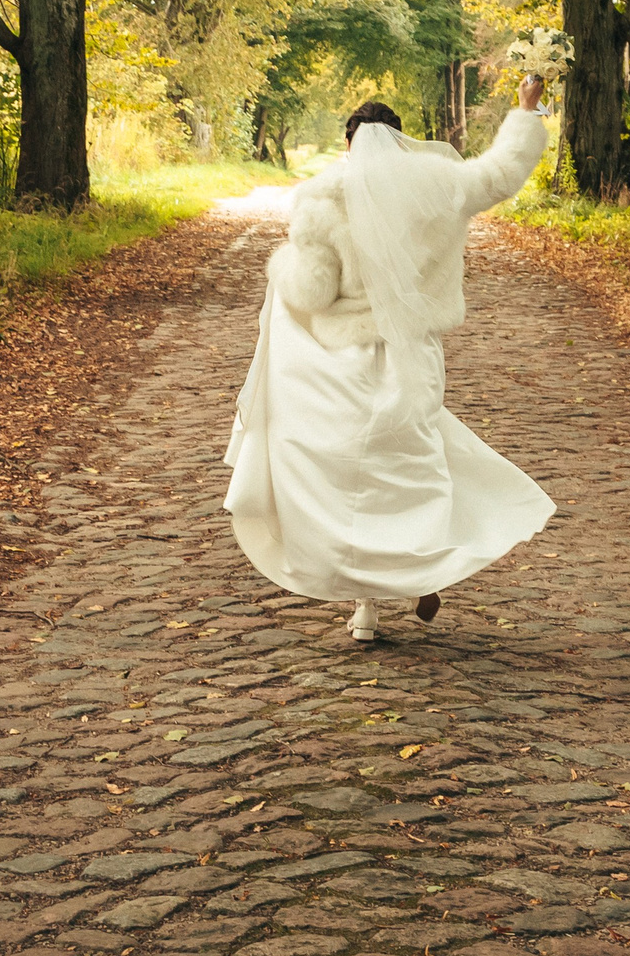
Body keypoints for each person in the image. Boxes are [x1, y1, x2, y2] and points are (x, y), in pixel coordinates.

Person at [224, 74, 556, 641]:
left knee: (347, 477)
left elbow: (311, 292)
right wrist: (526, 110)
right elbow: (501, 173)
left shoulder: (322, 197)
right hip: (412, 357)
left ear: (347, 144)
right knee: (410, 467)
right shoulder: (437, 182)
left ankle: (366, 608)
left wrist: (282, 266)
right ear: (402, 141)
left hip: (345, 368)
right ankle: (421, 564)